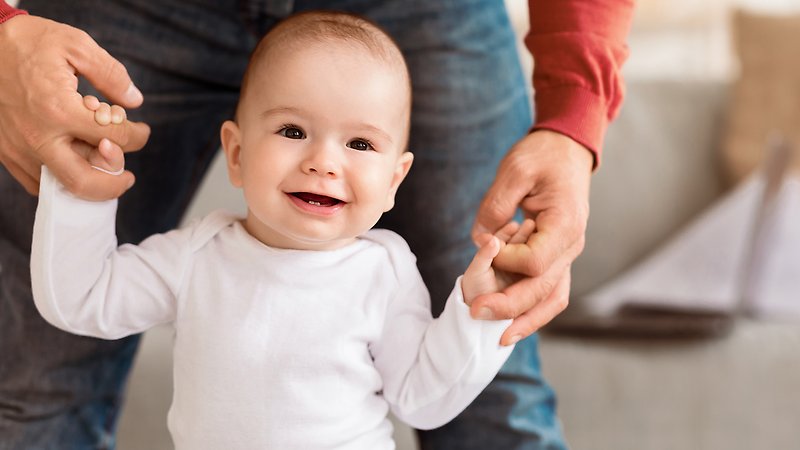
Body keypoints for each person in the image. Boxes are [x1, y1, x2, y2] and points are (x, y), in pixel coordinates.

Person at [0, 0, 634, 448]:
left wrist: (478, 312)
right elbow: (81, 300)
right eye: (292, 131)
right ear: (237, 154)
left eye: (360, 144)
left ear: (395, 179)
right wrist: (81, 190)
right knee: (37, 386)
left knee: (503, 407)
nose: (324, 163)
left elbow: (424, 399)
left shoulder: (386, 273)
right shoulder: (197, 256)